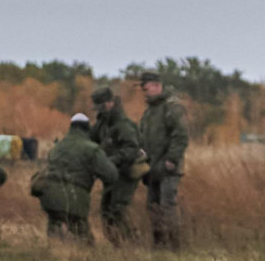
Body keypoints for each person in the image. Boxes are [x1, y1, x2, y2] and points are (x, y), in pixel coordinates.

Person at [32, 111, 121, 241]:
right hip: (74, 198)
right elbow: (111, 175)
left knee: (55, 230)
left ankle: (53, 254)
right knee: (84, 240)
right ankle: (80, 256)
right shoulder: (92, 149)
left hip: (48, 197)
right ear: (87, 128)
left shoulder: (58, 147)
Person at [135, 73, 190, 249]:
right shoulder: (149, 113)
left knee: (168, 206)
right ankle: (159, 245)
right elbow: (142, 139)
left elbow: (180, 136)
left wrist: (171, 160)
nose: (144, 91)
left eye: (147, 86)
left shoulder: (172, 108)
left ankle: (174, 247)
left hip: (168, 168)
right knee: (153, 207)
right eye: (143, 88)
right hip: (151, 168)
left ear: (157, 85)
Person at [90, 84, 146, 242]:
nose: (99, 110)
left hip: (126, 173)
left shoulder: (123, 125)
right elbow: (91, 139)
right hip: (111, 174)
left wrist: (112, 160)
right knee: (106, 210)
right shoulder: (102, 124)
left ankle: (132, 243)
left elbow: (132, 148)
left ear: (109, 103)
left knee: (118, 208)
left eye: (101, 106)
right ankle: (116, 243)